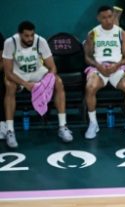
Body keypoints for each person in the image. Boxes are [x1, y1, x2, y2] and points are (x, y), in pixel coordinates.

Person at [2, 20, 73, 148]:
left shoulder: (41, 41)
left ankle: (63, 127)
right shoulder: (10, 42)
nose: (30, 38)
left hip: (37, 72)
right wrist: (26, 84)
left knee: (58, 82)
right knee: (9, 85)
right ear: (19, 34)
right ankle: (10, 131)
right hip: (18, 73)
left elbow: (52, 68)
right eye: (26, 36)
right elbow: (8, 72)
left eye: (32, 35)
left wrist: (44, 84)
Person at [84, 5, 125, 140]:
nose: (108, 20)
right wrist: (98, 65)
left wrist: (118, 65)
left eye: (110, 17)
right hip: (98, 68)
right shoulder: (93, 33)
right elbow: (87, 57)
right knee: (90, 87)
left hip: (117, 67)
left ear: (113, 16)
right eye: (104, 18)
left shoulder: (121, 33)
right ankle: (93, 123)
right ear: (98, 18)